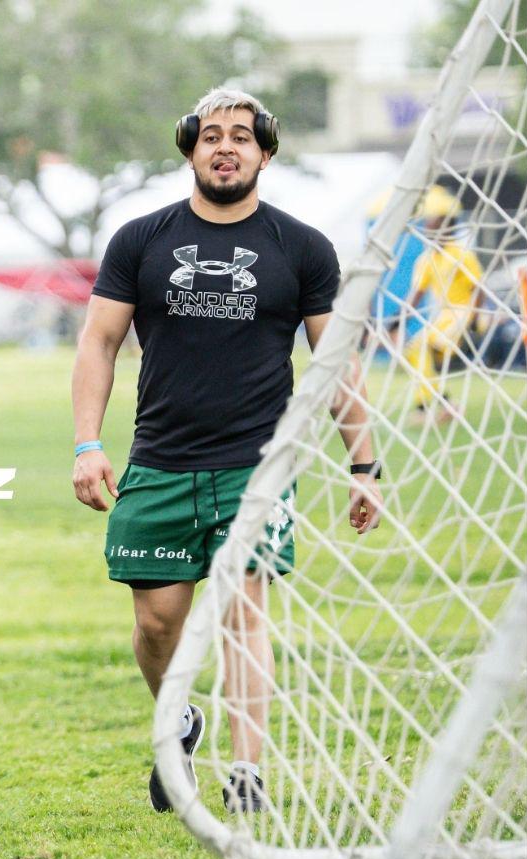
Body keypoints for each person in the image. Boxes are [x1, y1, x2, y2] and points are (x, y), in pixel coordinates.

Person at [71, 88, 382, 815]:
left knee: (244, 614)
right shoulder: (140, 240)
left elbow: (335, 360)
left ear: (264, 153)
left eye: (242, 136)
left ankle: (247, 775)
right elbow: (99, 342)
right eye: (212, 135)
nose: (226, 147)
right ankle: (178, 720)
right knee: (157, 624)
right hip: (159, 461)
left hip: (257, 465)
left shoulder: (301, 247)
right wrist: (88, 443)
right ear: (190, 147)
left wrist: (363, 464)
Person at [401, 192, 483, 425]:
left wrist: (474, 322)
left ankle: (428, 406)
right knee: (412, 350)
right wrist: (399, 319)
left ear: (447, 228)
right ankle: (442, 403)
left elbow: (478, 290)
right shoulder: (426, 260)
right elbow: (416, 295)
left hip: (463, 313)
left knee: (425, 348)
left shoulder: (461, 254)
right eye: (427, 226)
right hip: (444, 316)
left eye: (433, 225)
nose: (428, 230)